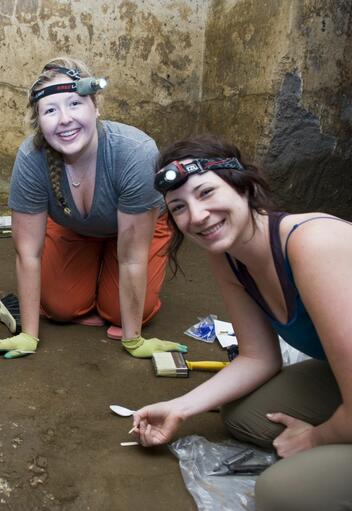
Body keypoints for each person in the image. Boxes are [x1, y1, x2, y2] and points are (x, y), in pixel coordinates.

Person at [131, 134, 352, 510]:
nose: (196, 217)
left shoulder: (312, 243)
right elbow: (258, 358)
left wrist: (315, 438)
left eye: (206, 193)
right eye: (179, 207)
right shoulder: (229, 255)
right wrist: (180, 407)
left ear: (244, 186)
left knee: (281, 493)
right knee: (246, 416)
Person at [0, 56, 186, 359]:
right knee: (60, 307)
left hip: (134, 231)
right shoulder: (31, 157)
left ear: (96, 107)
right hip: (72, 223)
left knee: (122, 311)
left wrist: (133, 339)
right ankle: (91, 274)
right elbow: (28, 252)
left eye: (75, 104)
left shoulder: (135, 152)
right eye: (51, 110)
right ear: (39, 122)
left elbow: (131, 258)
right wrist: (28, 335)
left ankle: (107, 290)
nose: (64, 119)